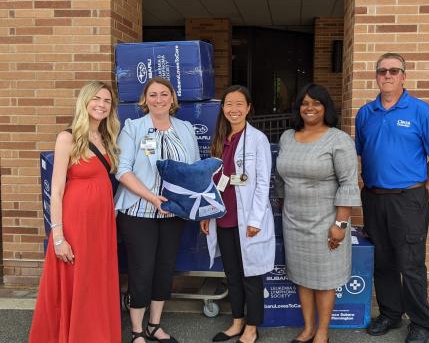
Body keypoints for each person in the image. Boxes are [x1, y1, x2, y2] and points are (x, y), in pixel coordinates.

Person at [355, 53, 429, 343]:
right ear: (376, 77)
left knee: (410, 264)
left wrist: (422, 187)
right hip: (374, 198)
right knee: (382, 261)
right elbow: (362, 153)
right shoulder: (365, 113)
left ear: (404, 77)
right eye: (382, 71)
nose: (387, 75)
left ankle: (421, 323)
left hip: (409, 199)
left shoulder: (421, 111)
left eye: (394, 70)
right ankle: (390, 314)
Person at [29, 81, 121, 342]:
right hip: (75, 224)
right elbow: (55, 191)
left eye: (107, 101)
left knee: (95, 280)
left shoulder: (107, 137)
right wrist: (58, 237)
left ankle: (96, 335)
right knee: (76, 281)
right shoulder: (67, 137)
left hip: (101, 223)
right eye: (96, 99)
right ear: (85, 101)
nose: (101, 104)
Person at [115, 77, 200, 343]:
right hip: (139, 212)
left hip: (173, 213)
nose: (159, 99)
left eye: (164, 94)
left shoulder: (185, 128)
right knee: (142, 270)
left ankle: (154, 325)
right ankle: (137, 330)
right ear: (145, 99)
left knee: (164, 268)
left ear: (173, 98)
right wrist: (152, 197)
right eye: (153, 95)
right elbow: (122, 170)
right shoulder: (133, 128)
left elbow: (193, 170)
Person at [275, 83, 361, 343]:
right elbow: (281, 178)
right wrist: (282, 203)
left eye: (316, 103)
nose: (309, 108)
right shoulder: (287, 137)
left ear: (326, 108)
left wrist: (340, 224)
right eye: (304, 103)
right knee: (302, 276)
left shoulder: (339, 139)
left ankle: (322, 332)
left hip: (326, 221)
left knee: (324, 280)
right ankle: (308, 328)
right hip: (294, 220)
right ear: (298, 108)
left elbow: (348, 183)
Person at [200, 85, 275, 343]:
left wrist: (255, 220)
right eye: (229, 104)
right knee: (232, 274)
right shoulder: (220, 139)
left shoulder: (257, 139)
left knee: (250, 276)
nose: (234, 109)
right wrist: (207, 214)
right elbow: (212, 180)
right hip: (223, 216)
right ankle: (236, 323)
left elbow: (263, 182)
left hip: (247, 220)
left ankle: (252, 328)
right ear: (223, 108)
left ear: (249, 108)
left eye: (239, 104)